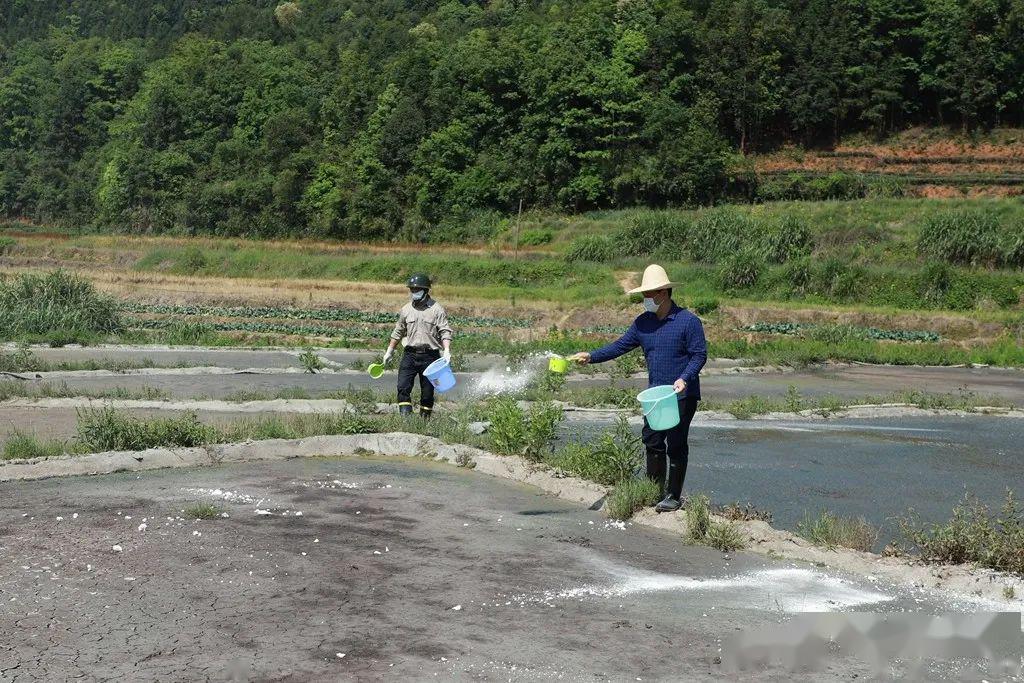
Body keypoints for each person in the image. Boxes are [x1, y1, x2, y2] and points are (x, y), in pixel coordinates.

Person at [570, 264, 707, 512]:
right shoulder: (643, 323)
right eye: (643, 295)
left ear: (663, 293)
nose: (645, 300)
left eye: (648, 295)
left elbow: (699, 355)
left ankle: (673, 497)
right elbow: (619, 346)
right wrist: (591, 356)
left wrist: (685, 378)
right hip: (655, 395)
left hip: (681, 393)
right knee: (652, 440)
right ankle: (654, 493)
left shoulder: (688, 322)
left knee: (676, 444)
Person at [382, 274, 453, 418]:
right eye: (412, 289)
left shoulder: (436, 309)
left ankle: (424, 422)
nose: (414, 292)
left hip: (430, 356)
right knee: (402, 387)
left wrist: (446, 350)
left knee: (427, 393)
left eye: (417, 289)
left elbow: (445, 331)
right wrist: (389, 351)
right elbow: (398, 331)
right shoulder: (406, 309)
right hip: (410, 354)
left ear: (425, 290)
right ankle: (406, 420)